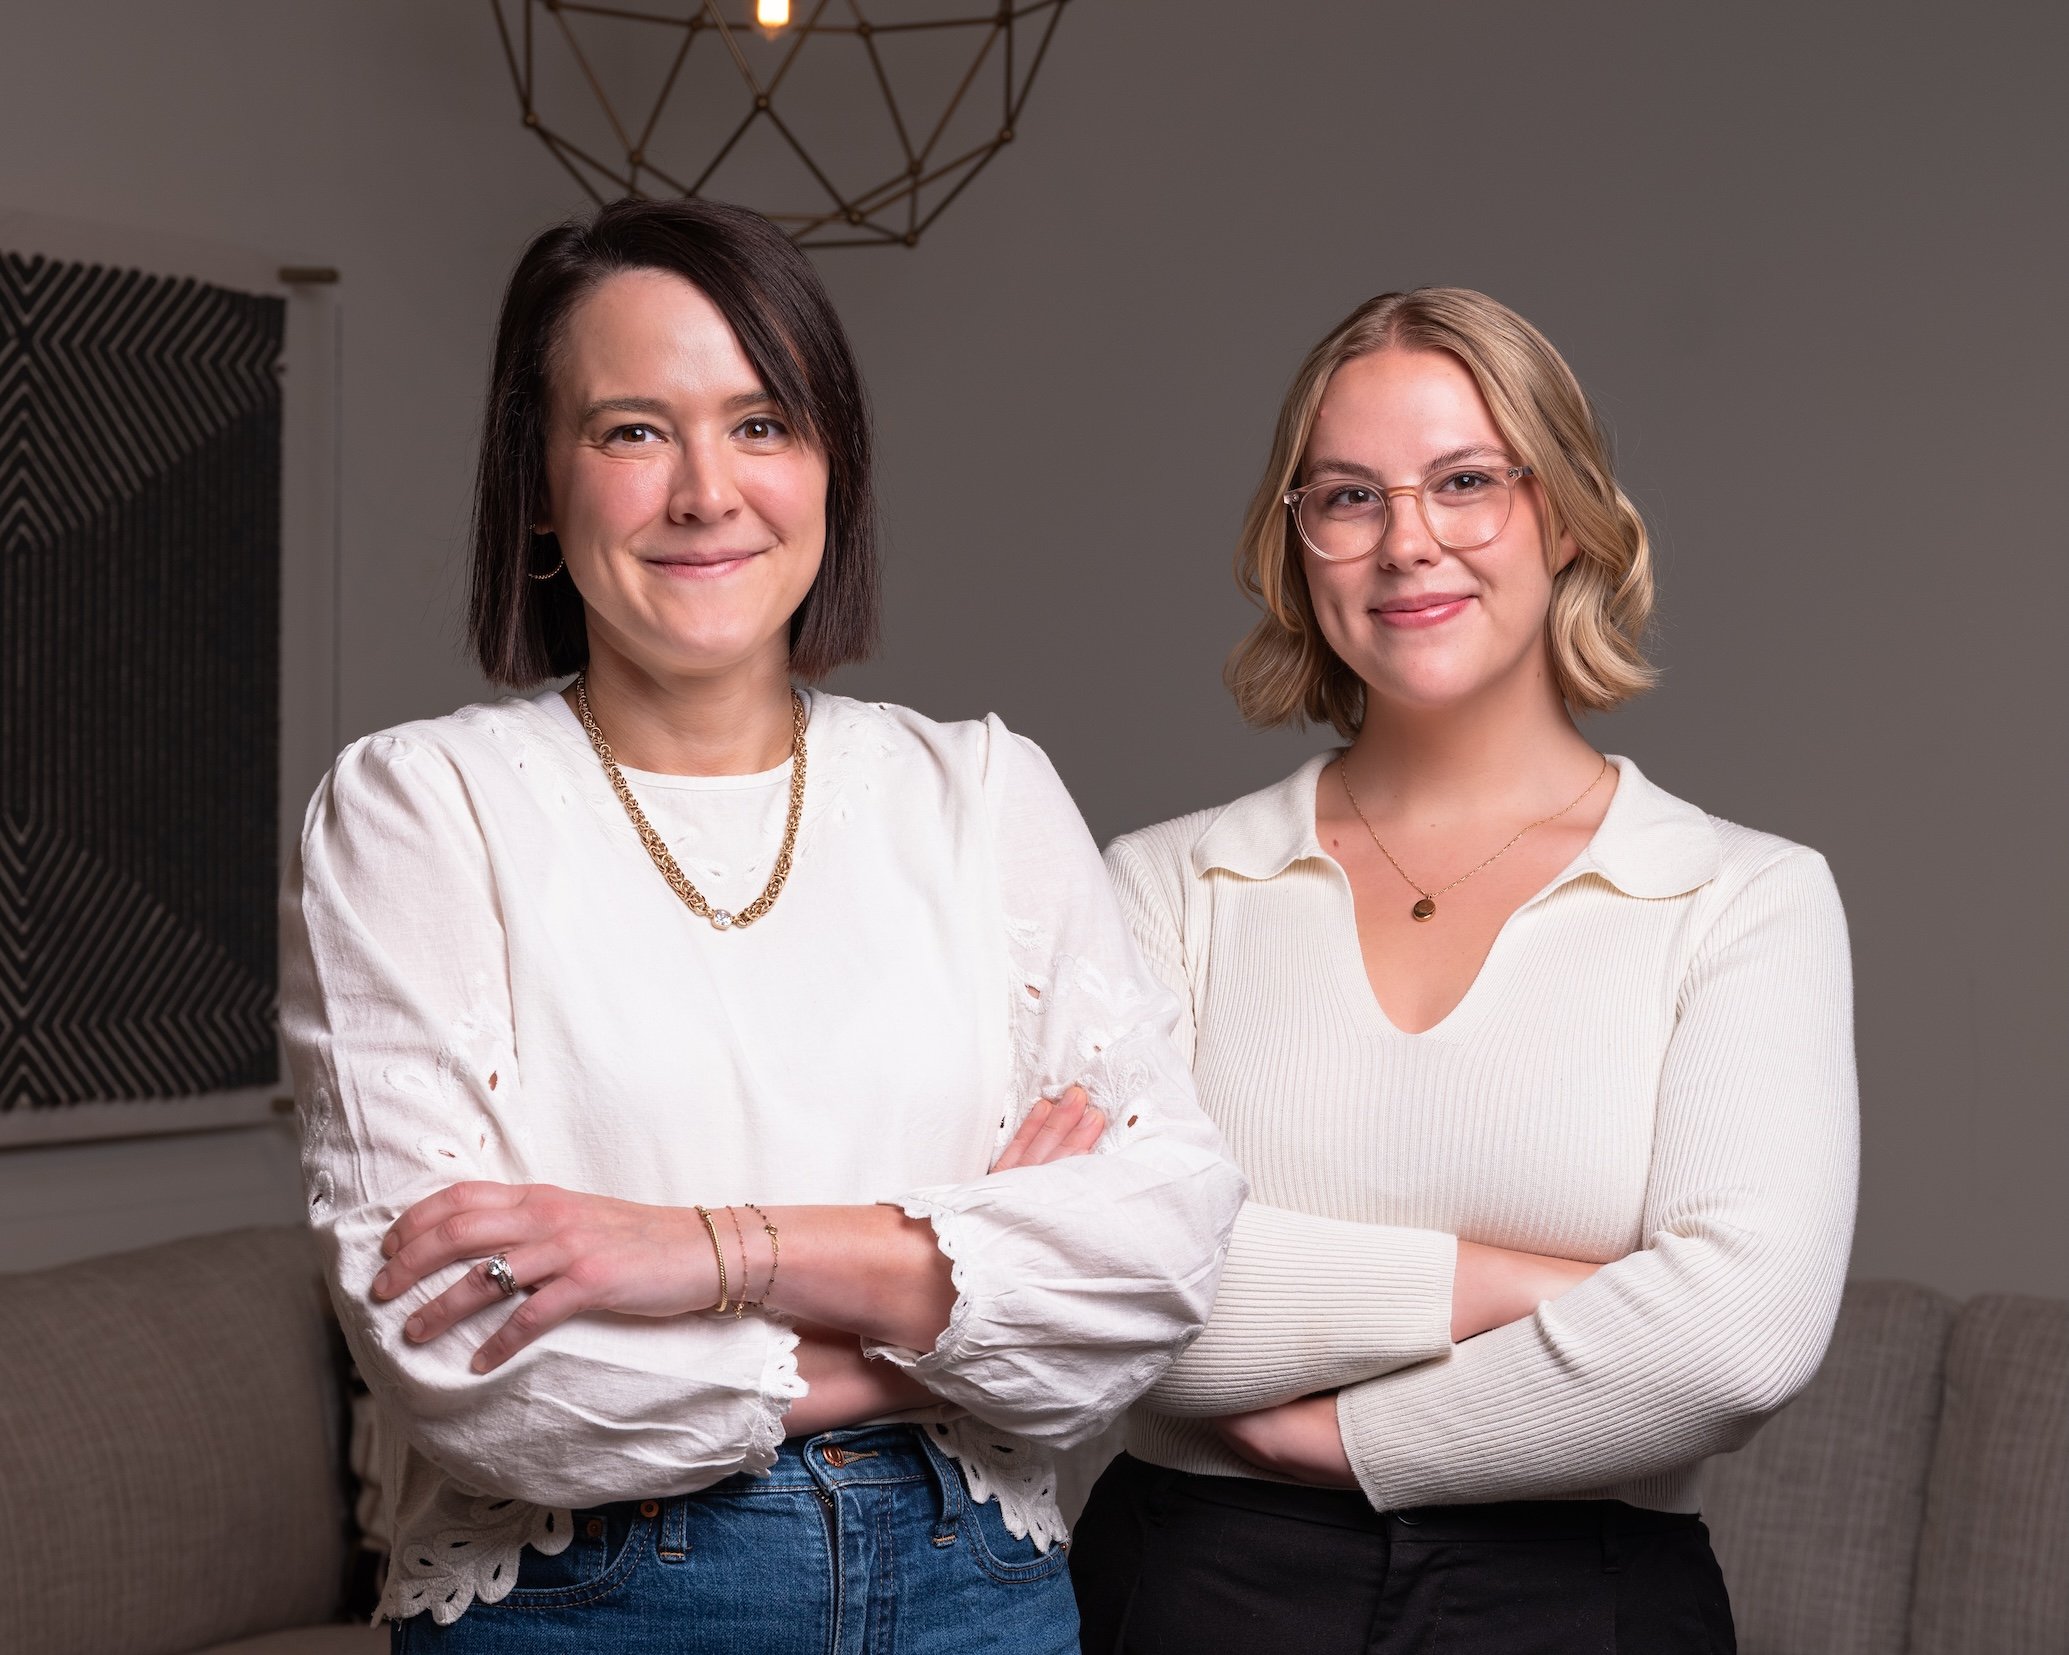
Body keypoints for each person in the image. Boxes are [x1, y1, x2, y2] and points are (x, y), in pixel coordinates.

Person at [279, 197, 1244, 1653]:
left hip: (975, 1591)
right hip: (586, 1605)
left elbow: (1156, 1260)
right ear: (538, 485)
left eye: (760, 423)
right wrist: (954, 1307)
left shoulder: (979, 789)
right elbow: (472, 1366)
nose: (704, 491)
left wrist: (698, 1253)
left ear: (829, 467)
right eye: (630, 432)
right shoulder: (420, 810)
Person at [1070, 288, 1858, 1653]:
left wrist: (1347, 1440)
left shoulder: (1742, 899)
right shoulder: (1164, 887)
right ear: (1297, 546)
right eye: (1347, 496)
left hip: (1584, 1599)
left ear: (1562, 518)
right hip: (1198, 1591)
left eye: (1465, 482)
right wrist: (1527, 1283)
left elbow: (1732, 1345)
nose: (1406, 541)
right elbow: (1101, 1296)